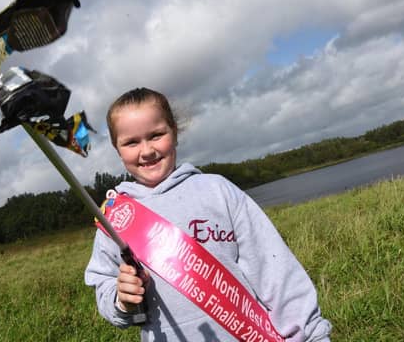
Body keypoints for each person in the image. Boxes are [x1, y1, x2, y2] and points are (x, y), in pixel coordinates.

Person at [84, 87, 332, 341]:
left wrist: (311, 334)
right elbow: (103, 283)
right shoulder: (114, 218)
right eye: (131, 142)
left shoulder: (218, 190)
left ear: (175, 132)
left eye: (156, 135)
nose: (146, 151)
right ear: (117, 149)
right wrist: (121, 299)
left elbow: (274, 270)